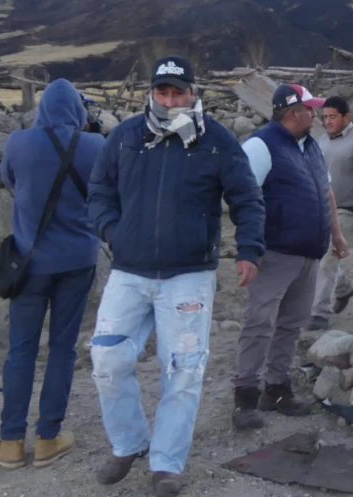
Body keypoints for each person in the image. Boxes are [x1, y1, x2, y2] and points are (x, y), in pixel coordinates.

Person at [86, 56, 265, 496]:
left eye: (178, 91)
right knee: (107, 360)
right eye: (163, 92)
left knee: (183, 369)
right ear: (151, 92)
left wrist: (249, 250)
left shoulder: (217, 141)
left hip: (189, 274)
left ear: (193, 92)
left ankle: (166, 464)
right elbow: (99, 191)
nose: (170, 100)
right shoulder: (126, 137)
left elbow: (246, 197)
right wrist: (113, 232)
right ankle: (129, 443)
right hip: (129, 269)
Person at [0, 79, 105, 470]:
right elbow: (105, 192)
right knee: (62, 348)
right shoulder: (95, 146)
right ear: (77, 109)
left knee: (21, 349)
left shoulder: (19, 143)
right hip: (78, 260)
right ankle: (49, 436)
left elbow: (9, 181)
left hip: (30, 262)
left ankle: (10, 442)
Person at [233, 84, 349, 430]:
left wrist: (337, 235)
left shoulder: (310, 146)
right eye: (309, 109)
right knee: (259, 322)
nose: (315, 115)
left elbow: (325, 191)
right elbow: (242, 197)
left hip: (308, 253)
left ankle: (277, 388)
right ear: (292, 112)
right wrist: (248, 249)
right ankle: (245, 396)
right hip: (274, 252)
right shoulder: (260, 145)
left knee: (291, 324)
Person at [309, 96, 353, 331]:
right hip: (320, 209)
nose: (327, 121)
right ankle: (345, 287)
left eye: (333, 116)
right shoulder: (321, 141)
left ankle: (319, 312)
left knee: (328, 257)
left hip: (348, 209)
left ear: (346, 117)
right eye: (325, 116)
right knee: (316, 258)